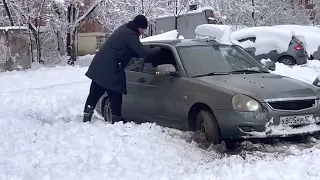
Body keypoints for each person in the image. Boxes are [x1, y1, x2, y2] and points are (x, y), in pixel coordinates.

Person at [83, 15, 160, 123]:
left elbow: (131, 50)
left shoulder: (125, 29)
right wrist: (158, 51)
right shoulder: (129, 34)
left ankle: (87, 117)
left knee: (95, 92)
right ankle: (116, 119)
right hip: (111, 67)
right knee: (115, 92)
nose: (143, 32)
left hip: (100, 65)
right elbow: (142, 52)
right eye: (143, 29)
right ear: (138, 26)